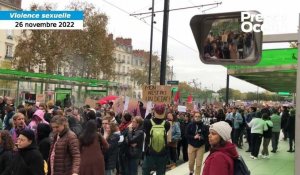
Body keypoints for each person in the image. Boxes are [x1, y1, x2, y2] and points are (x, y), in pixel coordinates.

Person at [143, 103, 170, 175]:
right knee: (161, 172)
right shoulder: (167, 124)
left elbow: (145, 120)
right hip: (162, 153)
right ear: (164, 112)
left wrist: (150, 113)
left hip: (149, 152)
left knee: (146, 171)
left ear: (154, 111)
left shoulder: (147, 122)